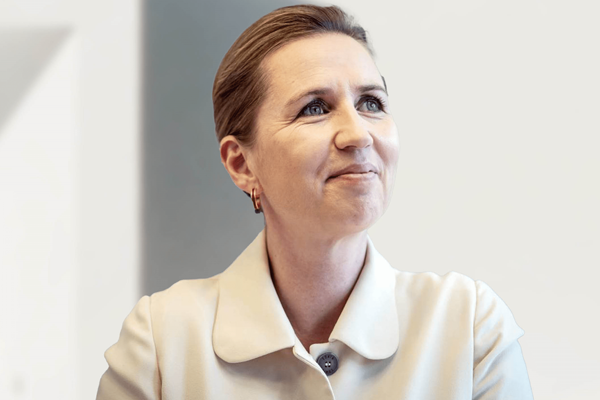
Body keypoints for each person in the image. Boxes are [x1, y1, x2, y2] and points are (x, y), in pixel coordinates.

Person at [96, 4, 533, 399]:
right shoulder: (161, 343)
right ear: (242, 164)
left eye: (371, 102)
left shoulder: (469, 328)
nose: (359, 134)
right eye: (315, 108)